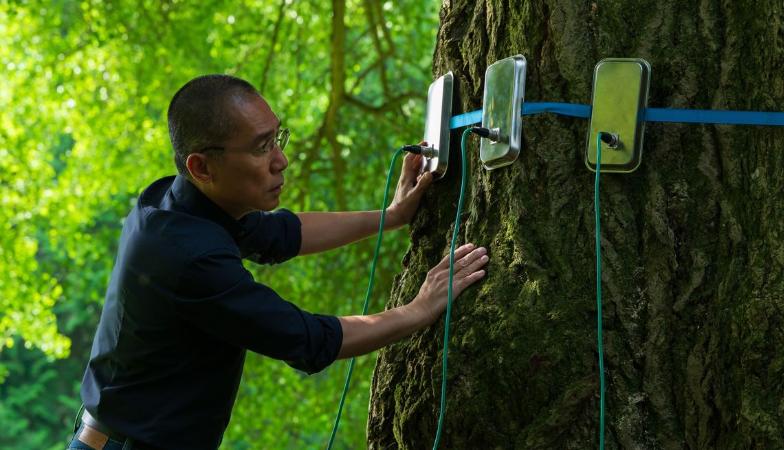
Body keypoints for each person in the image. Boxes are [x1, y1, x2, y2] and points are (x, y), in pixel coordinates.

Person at [67, 74, 489, 449]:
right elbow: (305, 337)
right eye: (260, 147)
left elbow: (283, 233)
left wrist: (391, 217)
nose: (281, 160)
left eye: (276, 138)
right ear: (201, 166)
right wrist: (419, 310)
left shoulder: (183, 202)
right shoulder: (186, 256)